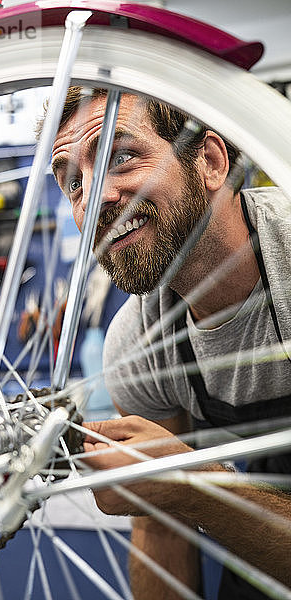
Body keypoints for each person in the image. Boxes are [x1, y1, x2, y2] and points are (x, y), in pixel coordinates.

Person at [50, 87, 291, 599]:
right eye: (74, 183)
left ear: (208, 160)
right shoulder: (137, 345)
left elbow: (185, 492)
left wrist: (194, 484)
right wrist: (177, 488)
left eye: (121, 157)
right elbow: (159, 524)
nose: (94, 200)